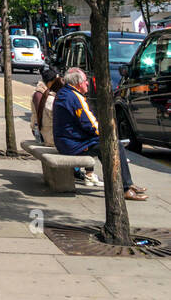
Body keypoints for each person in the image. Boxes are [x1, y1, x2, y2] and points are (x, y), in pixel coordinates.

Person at [53, 67, 147, 200]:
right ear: (78, 83)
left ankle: (124, 184)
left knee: (105, 147)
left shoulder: (65, 93)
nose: (87, 83)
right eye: (85, 81)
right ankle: (125, 188)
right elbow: (90, 124)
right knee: (114, 145)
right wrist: (108, 136)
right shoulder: (75, 97)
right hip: (73, 144)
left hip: (67, 141)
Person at [31, 65, 61, 144]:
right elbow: (40, 116)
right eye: (56, 81)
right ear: (50, 82)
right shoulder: (39, 94)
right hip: (39, 131)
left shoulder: (48, 92)